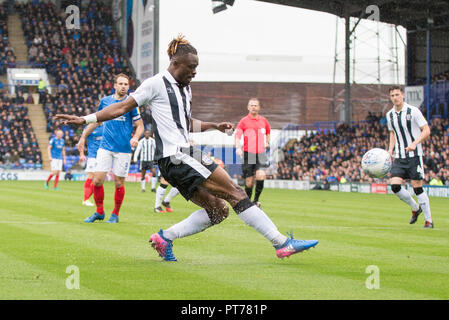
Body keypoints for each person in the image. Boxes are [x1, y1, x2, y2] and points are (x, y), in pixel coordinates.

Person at [55, 35, 318, 261]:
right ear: (175, 63)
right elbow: (123, 107)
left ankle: (164, 237)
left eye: (197, 67)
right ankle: (281, 243)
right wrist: (86, 119)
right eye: (191, 67)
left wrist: (213, 125)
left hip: (176, 158)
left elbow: (184, 122)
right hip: (178, 154)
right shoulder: (155, 83)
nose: (195, 71)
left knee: (218, 211)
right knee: (235, 192)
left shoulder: (186, 89)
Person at [76, 73, 144, 223]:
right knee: (97, 181)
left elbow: (140, 126)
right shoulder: (105, 101)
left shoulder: (131, 103)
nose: (123, 87)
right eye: (120, 84)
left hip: (123, 149)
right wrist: (83, 136)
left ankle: (115, 213)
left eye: (126, 84)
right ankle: (99, 211)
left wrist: (135, 137)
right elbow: (96, 121)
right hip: (105, 147)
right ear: (114, 85)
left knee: (119, 183)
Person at [387, 86, 434, 228]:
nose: (395, 97)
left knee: (417, 187)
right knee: (394, 186)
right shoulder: (389, 115)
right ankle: (415, 207)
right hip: (399, 156)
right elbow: (392, 133)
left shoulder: (413, 111)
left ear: (403, 95)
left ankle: (429, 221)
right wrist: (390, 150)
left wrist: (415, 143)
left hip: (414, 155)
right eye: (392, 95)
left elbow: (426, 130)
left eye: (397, 94)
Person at [235, 98, 271, 208]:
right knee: (249, 181)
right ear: (248, 107)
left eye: (256, 105)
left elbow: (268, 132)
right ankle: (247, 203)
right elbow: (237, 136)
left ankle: (255, 201)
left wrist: (267, 142)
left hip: (260, 154)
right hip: (248, 154)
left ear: (259, 107)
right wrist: (238, 147)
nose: (254, 107)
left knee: (261, 176)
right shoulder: (243, 121)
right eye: (252, 105)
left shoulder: (264, 121)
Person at [77, 122, 104, 206]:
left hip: (103, 156)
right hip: (93, 156)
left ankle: (88, 198)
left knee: (98, 179)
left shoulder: (105, 127)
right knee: (91, 176)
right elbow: (81, 140)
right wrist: (81, 154)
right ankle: (85, 199)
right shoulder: (90, 127)